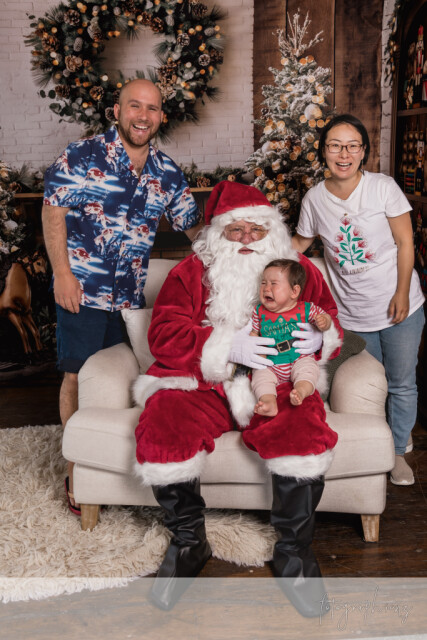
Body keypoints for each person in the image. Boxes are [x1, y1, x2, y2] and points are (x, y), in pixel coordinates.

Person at [132, 180, 343, 616]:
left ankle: (294, 553)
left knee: (303, 427)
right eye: (235, 230)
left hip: (280, 381)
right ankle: (189, 542)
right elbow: (163, 335)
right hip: (206, 382)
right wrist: (227, 345)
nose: (247, 238)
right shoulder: (189, 272)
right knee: (164, 419)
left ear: (272, 231)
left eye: (257, 229)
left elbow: (330, 321)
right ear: (218, 234)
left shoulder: (300, 269)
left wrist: (319, 338)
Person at [42, 79, 203, 514]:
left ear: (161, 117)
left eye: (151, 109)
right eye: (135, 106)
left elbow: (194, 228)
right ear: (117, 110)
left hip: (130, 299)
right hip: (82, 290)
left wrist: (239, 245)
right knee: (77, 377)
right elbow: (52, 211)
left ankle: (116, 464)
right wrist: (62, 274)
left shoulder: (166, 172)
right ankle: (78, 470)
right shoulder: (81, 156)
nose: (142, 116)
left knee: (123, 383)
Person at [293, 113, 425, 487]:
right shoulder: (315, 199)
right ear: (324, 151)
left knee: (401, 383)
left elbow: (405, 242)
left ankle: (397, 453)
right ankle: (379, 448)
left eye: (352, 146)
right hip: (352, 314)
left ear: (363, 151)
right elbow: (299, 244)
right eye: (335, 146)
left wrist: (402, 292)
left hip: (400, 305)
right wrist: (260, 256)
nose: (344, 154)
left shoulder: (383, 188)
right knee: (370, 386)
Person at [250, 259, 332, 415]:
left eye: (274, 284)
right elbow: (254, 333)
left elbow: (326, 317)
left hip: (298, 358)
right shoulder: (258, 311)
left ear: (294, 291)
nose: (266, 288)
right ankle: (268, 402)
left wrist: (324, 322)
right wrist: (255, 350)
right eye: (263, 283)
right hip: (271, 363)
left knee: (308, 370)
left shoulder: (306, 309)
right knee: (260, 378)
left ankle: (301, 391)